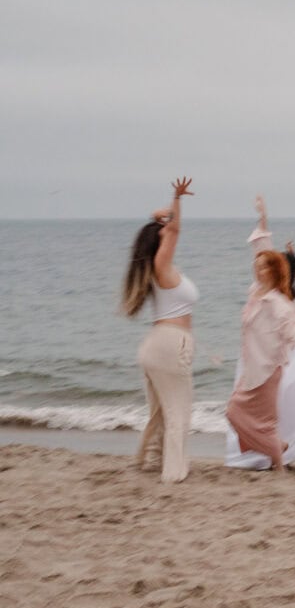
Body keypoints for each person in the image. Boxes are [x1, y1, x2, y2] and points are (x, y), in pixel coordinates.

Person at [225, 196, 295, 470]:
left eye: (264, 268)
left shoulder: (279, 303)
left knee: (262, 420)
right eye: (257, 267)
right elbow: (262, 250)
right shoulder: (254, 292)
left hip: (270, 368)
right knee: (234, 413)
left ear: (274, 272)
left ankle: (278, 462)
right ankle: (276, 448)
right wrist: (262, 218)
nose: (258, 269)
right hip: (252, 366)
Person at [122, 177, 196, 483]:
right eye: (165, 232)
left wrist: (162, 214)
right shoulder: (161, 265)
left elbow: (160, 218)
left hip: (155, 346)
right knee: (178, 412)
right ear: (161, 241)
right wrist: (176, 199)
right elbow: (174, 227)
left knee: (159, 413)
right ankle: (174, 473)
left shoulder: (156, 268)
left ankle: (147, 462)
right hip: (170, 344)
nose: (170, 232)